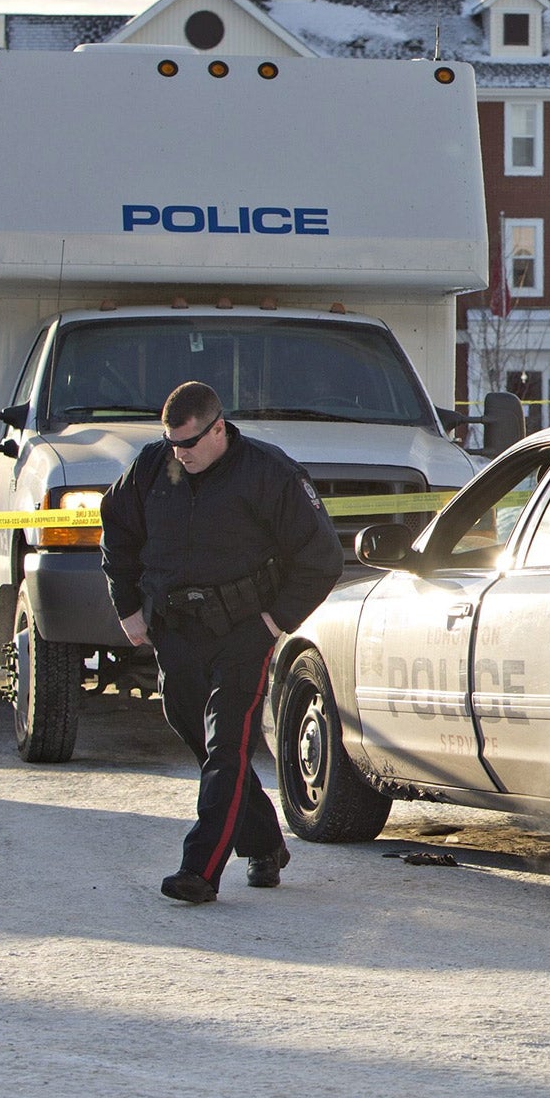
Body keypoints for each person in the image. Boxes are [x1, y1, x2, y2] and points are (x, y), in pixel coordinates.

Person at [100, 381, 343, 905]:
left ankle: (200, 869)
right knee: (195, 732)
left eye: (188, 443)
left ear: (218, 430)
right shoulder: (152, 466)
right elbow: (116, 527)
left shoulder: (268, 472)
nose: (179, 454)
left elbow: (322, 557)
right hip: (174, 627)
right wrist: (126, 606)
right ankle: (264, 842)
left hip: (242, 631)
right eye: (171, 443)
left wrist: (274, 623)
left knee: (226, 745)